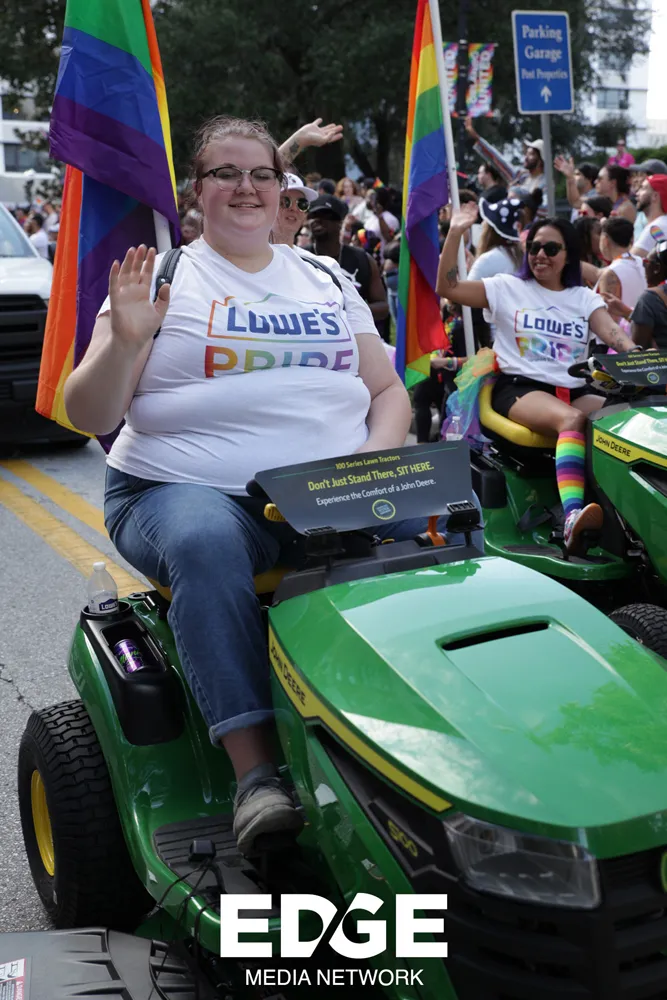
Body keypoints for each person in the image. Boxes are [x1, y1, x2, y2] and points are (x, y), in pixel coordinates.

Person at [63, 115, 414, 856]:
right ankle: (256, 775)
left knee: (448, 525)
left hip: (328, 490)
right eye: (225, 173)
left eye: (260, 174)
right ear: (198, 191)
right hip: (183, 489)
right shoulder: (160, 277)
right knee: (205, 542)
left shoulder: (326, 278)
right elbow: (89, 414)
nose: (245, 187)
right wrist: (125, 342)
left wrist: (372, 463)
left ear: (281, 186)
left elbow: (388, 392)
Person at [436, 204, 636, 554]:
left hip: (573, 390)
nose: (540, 254)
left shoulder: (583, 298)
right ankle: (572, 519)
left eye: (551, 248)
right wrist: (455, 232)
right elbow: (448, 287)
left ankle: (628, 518)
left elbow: (614, 335)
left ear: (568, 255)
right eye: (534, 247)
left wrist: (640, 358)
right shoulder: (506, 287)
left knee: (629, 418)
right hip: (520, 390)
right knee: (571, 420)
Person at [307, 194, 389, 334]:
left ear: (340, 222)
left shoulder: (362, 259)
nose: (317, 220)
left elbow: (382, 307)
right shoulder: (299, 258)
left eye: (325, 215)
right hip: (310, 336)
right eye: (313, 215)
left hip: (353, 336)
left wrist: (346, 311)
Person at [468, 198, 525, 347]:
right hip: (522, 336)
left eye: (485, 222)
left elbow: (463, 298)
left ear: (490, 229)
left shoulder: (489, 258)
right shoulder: (522, 256)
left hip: (497, 340)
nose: (481, 225)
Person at [465, 116, 545, 196]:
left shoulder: (544, 183)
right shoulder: (521, 176)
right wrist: (477, 137)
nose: (526, 157)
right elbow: (497, 160)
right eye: (526, 153)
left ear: (540, 160)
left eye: (531, 154)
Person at [595, 217, 646, 316]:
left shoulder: (611, 273)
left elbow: (607, 317)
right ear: (632, 239)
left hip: (622, 325)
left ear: (605, 240)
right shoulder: (643, 263)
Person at [629, 241, 667, 348]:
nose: (644, 266)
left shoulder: (649, 299)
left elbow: (638, 349)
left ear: (657, 268)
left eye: (645, 262)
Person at [270, 172, 318, 247]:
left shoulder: (308, 255)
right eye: (284, 202)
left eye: (302, 204)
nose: (294, 208)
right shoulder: (251, 252)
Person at [632, 175, 667, 258]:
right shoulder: (662, 223)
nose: (637, 193)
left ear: (655, 196)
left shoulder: (656, 227)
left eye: (643, 188)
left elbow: (628, 261)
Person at [364, 187, 399, 255]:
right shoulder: (371, 218)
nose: (369, 200)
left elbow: (390, 239)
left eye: (372, 198)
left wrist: (380, 217)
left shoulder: (391, 219)